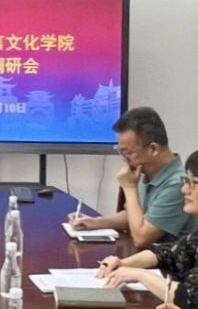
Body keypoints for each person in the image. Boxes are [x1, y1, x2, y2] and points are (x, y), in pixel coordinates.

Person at [95, 146, 198, 309]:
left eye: (194, 183)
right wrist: (123, 263)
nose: (184, 189)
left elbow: (189, 297)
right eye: (186, 181)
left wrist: (139, 274)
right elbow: (168, 253)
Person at [67, 106, 188, 249]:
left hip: (170, 261)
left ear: (153, 149)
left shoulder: (178, 184)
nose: (124, 159)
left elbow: (141, 238)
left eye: (127, 152)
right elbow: (134, 216)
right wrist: (95, 222)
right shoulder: (146, 171)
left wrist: (129, 188)